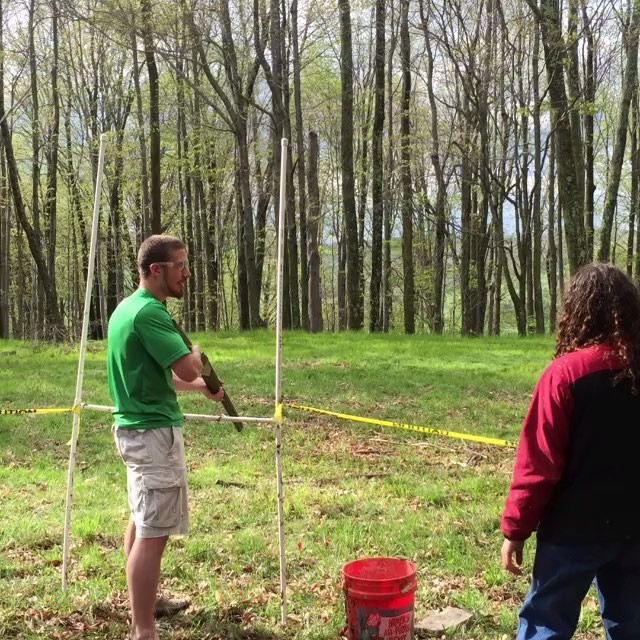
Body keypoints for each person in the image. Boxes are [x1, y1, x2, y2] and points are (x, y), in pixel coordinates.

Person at [500, 262, 640, 640]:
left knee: (546, 622)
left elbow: (538, 465)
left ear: (576, 312)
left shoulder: (563, 375)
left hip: (571, 531)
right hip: (633, 526)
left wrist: (516, 528)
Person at [107, 234, 224, 640]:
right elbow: (189, 366)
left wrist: (201, 389)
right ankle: (143, 630)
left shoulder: (126, 310)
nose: (187, 273)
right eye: (180, 265)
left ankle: (147, 606)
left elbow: (160, 376)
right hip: (152, 434)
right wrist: (197, 360)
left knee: (143, 521)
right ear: (156, 270)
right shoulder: (151, 314)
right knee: (153, 533)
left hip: (135, 428)